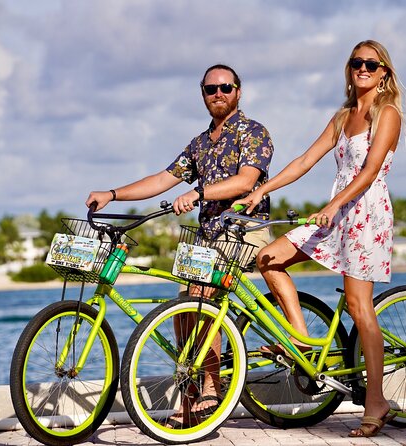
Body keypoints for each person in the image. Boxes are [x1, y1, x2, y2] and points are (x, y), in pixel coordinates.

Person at [232, 40, 404, 437]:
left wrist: (334, 205)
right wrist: (261, 189)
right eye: (356, 62)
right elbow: (304, 161)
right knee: (269, 259)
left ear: (384, 73)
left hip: (365, 212)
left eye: (371, 64)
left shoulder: (387, 113)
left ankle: (376, 400)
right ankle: (304, 343)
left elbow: (370, 171)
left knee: (360, 308)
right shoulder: (344, 116)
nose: (362, 68)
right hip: (335, 209)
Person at [86, 64, 274, 425]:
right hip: (207, 236)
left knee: (201, 295)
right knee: (183, 304)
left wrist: (199, 192)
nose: (218, 94)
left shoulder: (253, 132)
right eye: (210, 89)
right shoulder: (199, 144)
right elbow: (162, 179)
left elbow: (245, 181)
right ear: (202, 94)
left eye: (225, 88)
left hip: (243, 229)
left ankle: (211, 386)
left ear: (238, 91)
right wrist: (112, 194)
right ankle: (191, 395)